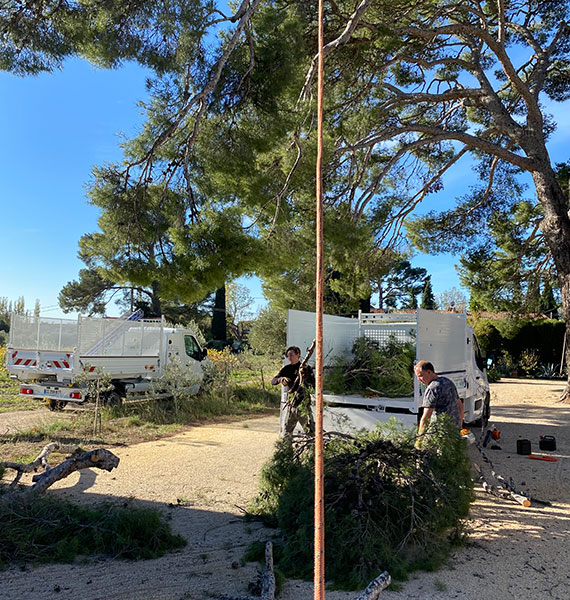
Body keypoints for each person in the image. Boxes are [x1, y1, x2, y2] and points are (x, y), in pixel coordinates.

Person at [272, 345, 315, 435]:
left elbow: (313, 384)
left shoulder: (306, 368)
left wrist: (305, 373)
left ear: (298, 355)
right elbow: (273, 381)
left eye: (291, 355)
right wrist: (281, 379)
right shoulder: (287, 369)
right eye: (288, 356)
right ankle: (286, 448)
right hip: (291, 405)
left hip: (303, 405)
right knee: (286, 432)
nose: (289, 358)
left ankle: (312, 448)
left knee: (309, 431)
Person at [414, 360, 464, 436]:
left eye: (420, 376)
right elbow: (460, 405)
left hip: (440, 434)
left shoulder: (432, 389)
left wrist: (419, 439)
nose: (419, 379)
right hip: (454, 432)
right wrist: (459, 426)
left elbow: (426, 418)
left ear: (429, 372)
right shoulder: (448, 382)